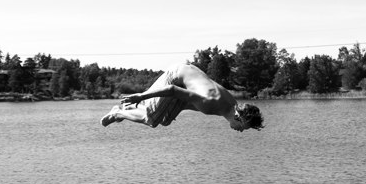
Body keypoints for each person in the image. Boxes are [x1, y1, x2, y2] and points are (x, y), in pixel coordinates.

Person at [100, 60, 264, 131]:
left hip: (185, 82)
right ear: (238, 117)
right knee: (151, 120)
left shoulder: (230, 105)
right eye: (243, 128)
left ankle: (131, 109)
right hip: (175, 77)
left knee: (164, 120)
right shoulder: (211, 102)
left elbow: (190, 103)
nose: (241, 131)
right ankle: (117, 112)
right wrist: (142, 97)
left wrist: (169, 111)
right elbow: (172, 90)